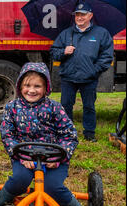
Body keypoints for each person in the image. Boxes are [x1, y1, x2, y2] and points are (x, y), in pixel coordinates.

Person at [0, 62, 106, 206]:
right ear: (19, 87)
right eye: (27, 85)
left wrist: (60, 157)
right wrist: (20, 156)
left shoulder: (54, 108)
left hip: (53, 157)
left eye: (37, 86)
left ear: (46, 87)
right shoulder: (12, 108)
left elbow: (69, 135)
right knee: (19, 181)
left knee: (52, 187)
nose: (31, 90)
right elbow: (7, 135)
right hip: (24, 156)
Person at [50, 1, 114, 142]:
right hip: (68, 77)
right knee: (66, 106)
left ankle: (89, 134)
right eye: (77, 15)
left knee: (89, 107)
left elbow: (107, 56)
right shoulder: (66, 33)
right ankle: (67, 132)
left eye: (83, 15)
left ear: (90, 16)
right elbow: (54, 52)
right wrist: (63, 51)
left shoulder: (101, 33)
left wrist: (94, 70)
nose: (79, 17)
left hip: (89, 78)